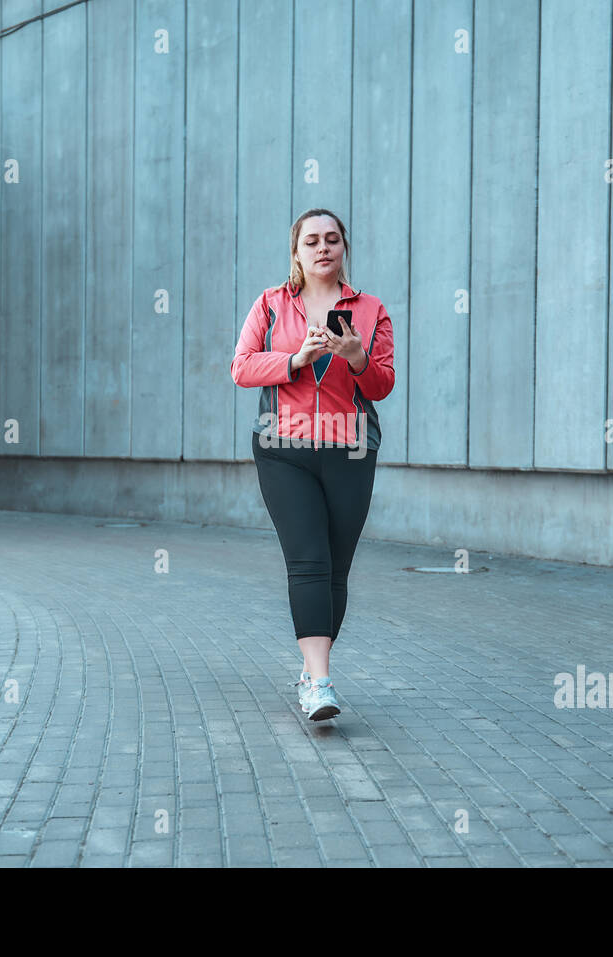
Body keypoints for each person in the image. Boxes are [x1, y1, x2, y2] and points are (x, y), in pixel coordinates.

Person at [230, 208, 396, 721]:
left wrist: (356, 358)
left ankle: (309, 668)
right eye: (311, 241)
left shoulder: (369, 310)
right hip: (285, 450)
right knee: (308, 561)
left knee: (336, 571)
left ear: (344, 247)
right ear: (296, 252)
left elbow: (383, 384)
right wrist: (296, 359)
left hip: (350, 450)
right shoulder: (271, 304)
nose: (322, 248)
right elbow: (240, 367)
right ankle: (320, 684)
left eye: (332, 239)